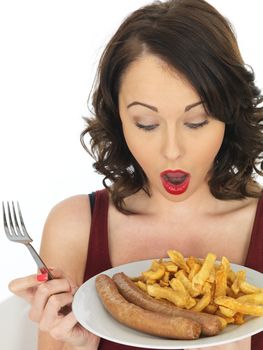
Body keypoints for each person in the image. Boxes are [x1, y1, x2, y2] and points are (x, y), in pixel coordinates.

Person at [8, 0, 263, 349]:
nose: (172, 150)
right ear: (118, 120)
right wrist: (78, 345)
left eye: (196, 121)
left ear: (229, 116)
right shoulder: (74, 228)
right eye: (147, 123)